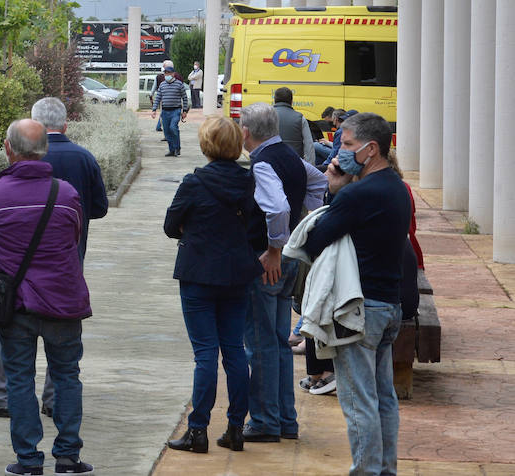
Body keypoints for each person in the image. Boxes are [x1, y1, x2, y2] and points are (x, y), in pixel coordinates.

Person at [0, 97, 110, 419]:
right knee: (64, 361)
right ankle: (55, 410)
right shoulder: (81, 163)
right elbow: (98, 209)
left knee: (13, 347)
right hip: (64, 271)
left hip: (14, 277)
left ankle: (4, 399)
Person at [293, 112, 411, 476]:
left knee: (359, 401)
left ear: (370, 149)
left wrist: (334, 190)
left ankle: (366, 471)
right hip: (389, 305)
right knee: (383, 399)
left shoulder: (358, 194)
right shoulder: (396, 187)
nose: (337, 154)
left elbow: (313, 242)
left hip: (359, 311)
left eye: (345, 145)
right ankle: (384, 469)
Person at [0, 119, 93, 476]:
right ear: (44, 150)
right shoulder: (67, 194)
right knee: (67, 376)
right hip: (62, 301)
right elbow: (74, 236)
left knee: (19, 380)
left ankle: (28, 460)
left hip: (16, 305)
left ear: (8, 149)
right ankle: (68, 456)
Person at [163, 116, 268, 455]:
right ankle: (236, 427)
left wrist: (192, 233)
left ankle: (198, 431)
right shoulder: (248, 181)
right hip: (236, 273)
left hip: (199, 273)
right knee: (234, 350)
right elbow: (257, 224)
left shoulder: (195, 182)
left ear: (206, 145)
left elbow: (170, 225)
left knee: (205, 354)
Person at [238, 101, 316, 443]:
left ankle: (266, 421)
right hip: (292, 259)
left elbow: (277, 207)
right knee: (279, 342)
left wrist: (274, 248)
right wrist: (303, 230)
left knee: (260, 343)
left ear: (245, 132)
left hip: (269, 260)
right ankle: (286, 419)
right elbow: (316, 186)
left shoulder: (262, 164)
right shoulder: (288, 156)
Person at [151, 67, 190, 157]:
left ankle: (177, 148)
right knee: (167, 131)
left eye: (169, 73)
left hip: (175, 110)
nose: (167, 75)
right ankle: (171, 150)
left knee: (173, 127)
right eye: (165, 73)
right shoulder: (162, 85)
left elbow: (184, 98)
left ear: (173, 74)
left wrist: (184, 111)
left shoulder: (179, 84)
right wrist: (154, 110)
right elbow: (158, 98)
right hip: (165, 111)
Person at [272, 87, 313, 162]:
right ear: (291, 101)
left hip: (271, 163)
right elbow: (309, 146)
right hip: (294, 164)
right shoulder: (300, 118)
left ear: (274, 100)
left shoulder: (266, 116)